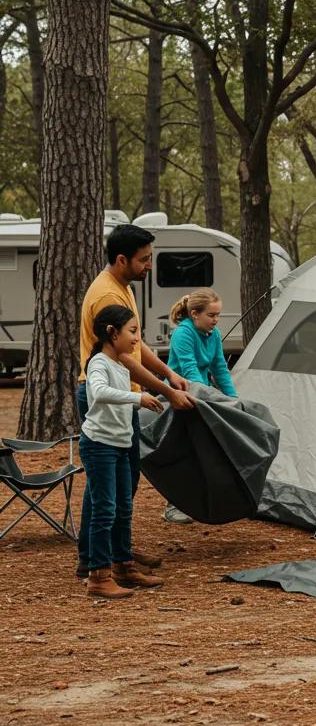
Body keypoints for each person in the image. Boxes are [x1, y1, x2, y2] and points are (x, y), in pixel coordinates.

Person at [76, 224, 195, 578]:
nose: (149, 266)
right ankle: (101, 559)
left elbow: (136, 344)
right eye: (144, 260)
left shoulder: (120, 287)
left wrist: (168, 373)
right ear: (122, 259)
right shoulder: (108, 296)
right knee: (110, 482)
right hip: (112, 395)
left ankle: (112, 551)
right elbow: (125, 357)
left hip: (125, 394)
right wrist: (166, 391)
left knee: (116, 480)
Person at [79, 305, 166, 598]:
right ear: (111, 333)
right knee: (104, 510)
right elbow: (100, 392)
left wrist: (145, 397)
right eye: (132, 331)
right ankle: (98, 576)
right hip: (99, 446)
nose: (136, 338)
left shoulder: (120, 363)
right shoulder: (99, 363)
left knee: (123, 508)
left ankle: (123, 565)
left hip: (119, 444)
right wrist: (137, 398)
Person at [167, 288, 237, 398]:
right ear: (195, 314)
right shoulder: (182, 333)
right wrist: (206, 396)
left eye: (218, 315)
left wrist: (233, 398)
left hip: (202, 390)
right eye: (211, 315)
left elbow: (219, 368)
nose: (216, 319)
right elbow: (190, 369)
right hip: (178, 393)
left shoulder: (215, 333)